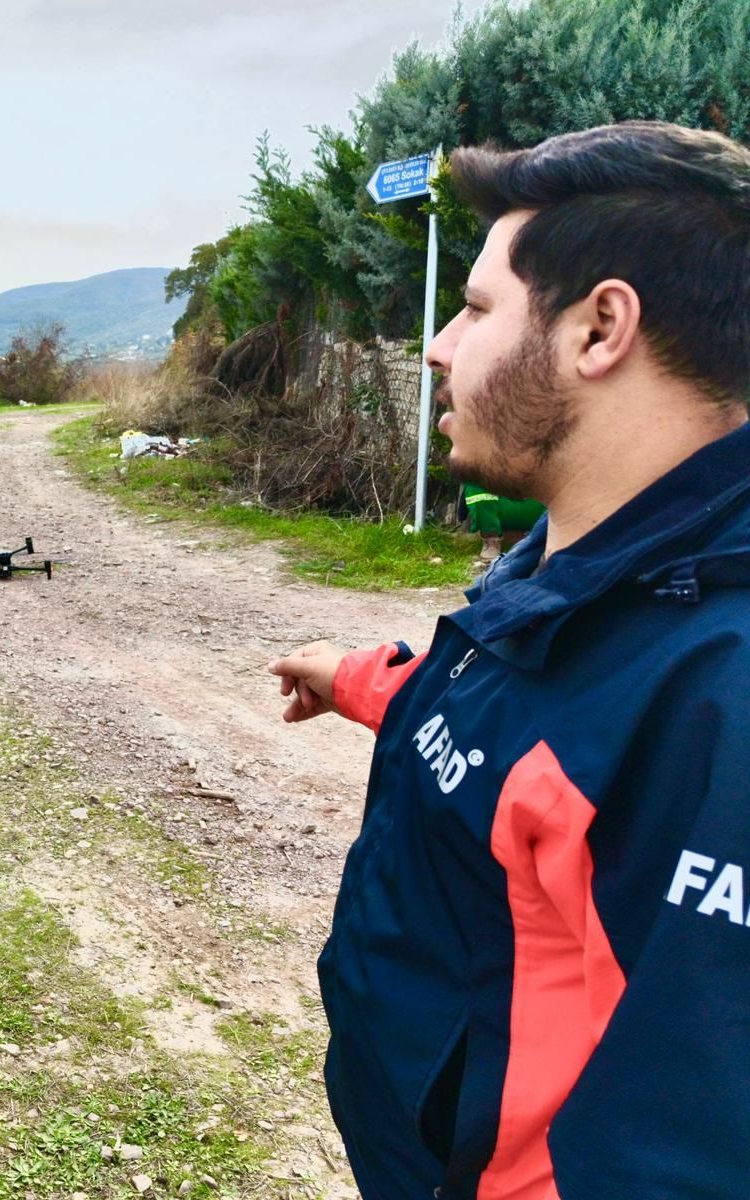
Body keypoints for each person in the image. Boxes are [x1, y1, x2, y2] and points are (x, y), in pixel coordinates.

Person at [268, 121, 750, 1199]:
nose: (438, 347)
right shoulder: (581, 553)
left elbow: (688, 1145)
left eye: (477, 309)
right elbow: (528, 729)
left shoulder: (725, 697)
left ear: (599, 329)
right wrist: (353, 679)